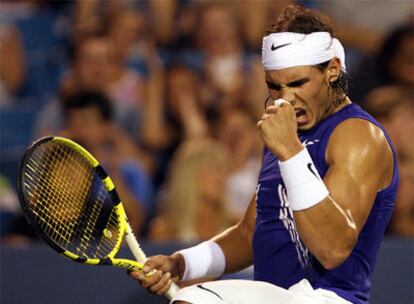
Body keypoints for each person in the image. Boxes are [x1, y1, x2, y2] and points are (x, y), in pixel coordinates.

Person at [129, 5, 399, 304]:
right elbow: (250, 233)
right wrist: (182, 263)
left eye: (298, 83)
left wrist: (290, 152)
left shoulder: (358, 135)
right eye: (274, 86)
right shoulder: (283, 129)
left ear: (332, 70)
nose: (285, 98)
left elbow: (333, 249)